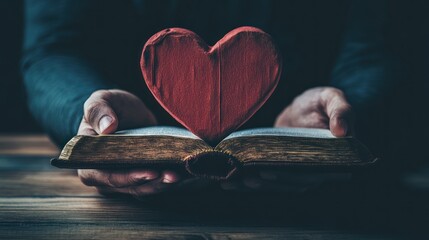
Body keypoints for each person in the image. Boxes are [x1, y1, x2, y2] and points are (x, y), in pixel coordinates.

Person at [22, 0, 393, 197]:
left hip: (314, 203)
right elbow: (53, 50)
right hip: (139, 158)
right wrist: (89, 117)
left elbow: (377, 44)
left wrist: (342, 120)